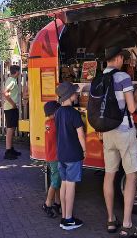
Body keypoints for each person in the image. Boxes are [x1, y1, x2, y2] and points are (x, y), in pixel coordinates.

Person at [101, 47, 137, 237]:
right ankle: (127, 224)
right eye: (123, 58)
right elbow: (132, 108)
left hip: (107, 132)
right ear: (118, 58)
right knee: (131, 175)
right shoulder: (123, 78)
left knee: (109, 175)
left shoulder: (99, 78)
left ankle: (111, 219)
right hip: (124, 132)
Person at [55, 82, 86, 231]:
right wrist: (85, 150)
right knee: (71, 185)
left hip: (61, 154)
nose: (77, 94)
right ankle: (68, 219)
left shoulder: (58, 112)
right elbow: (80, 134)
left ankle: (64, 217)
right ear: (69, 95)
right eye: (75, 92)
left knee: (64, 184)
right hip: (73, 154)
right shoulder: (74, 113)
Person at [41, 100, 62, 219]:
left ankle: (57, 203)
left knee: (57, 180)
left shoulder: (48, 123)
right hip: (55, 157)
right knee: (55, 181)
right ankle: (47, 203)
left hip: (50, 156)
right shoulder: (55, 124)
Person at [2, 64, 22, 159]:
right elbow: (5, 93)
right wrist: (13, 104)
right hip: (10, 108)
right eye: (20, 71)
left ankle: (11, 149)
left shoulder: (12, 80)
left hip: (11, 108)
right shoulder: (12, 81)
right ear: (17, 72)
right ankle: (8, 151)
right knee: (10, 129)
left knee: (12, 128)